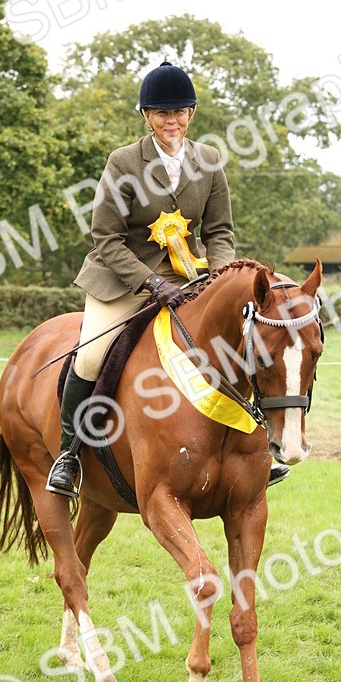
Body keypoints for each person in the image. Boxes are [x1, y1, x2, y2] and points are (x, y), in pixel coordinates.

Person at [45, 60, 289, 499]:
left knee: (237, 345)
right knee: (91, 356)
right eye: (161, 113)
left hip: (190, 277)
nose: (170, 121)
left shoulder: (209, 161)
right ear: (146, 116)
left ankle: (251, 452)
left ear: (191, 114)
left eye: (178, 112)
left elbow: (220, 232)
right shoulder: (122, 162)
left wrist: (219, 279)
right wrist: (150, 283)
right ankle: (69, 454)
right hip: (122, 278)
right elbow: (105, 236)